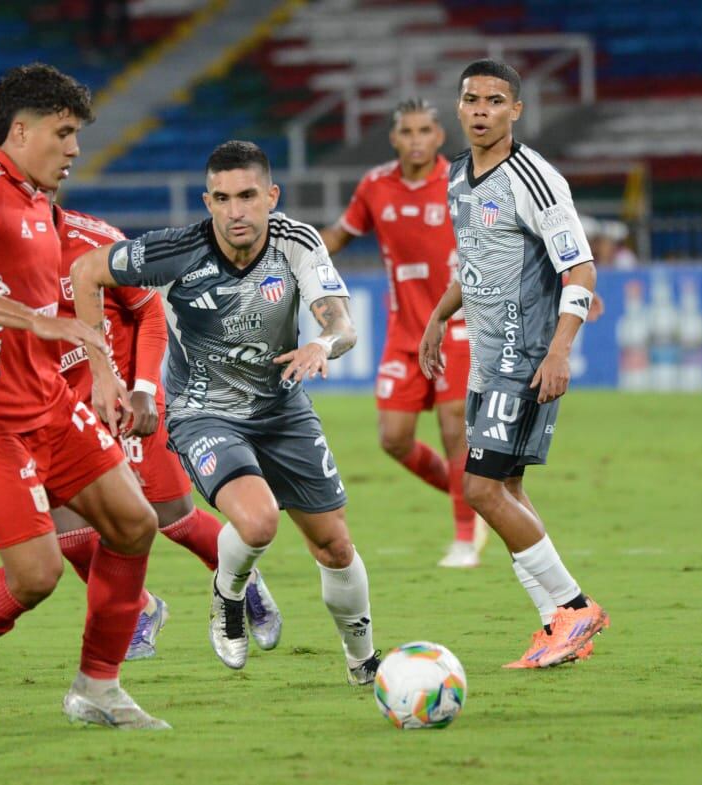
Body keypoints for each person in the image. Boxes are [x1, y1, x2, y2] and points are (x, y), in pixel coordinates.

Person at [0, 63, 169, 732]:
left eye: (77, 134)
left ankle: (98, 686)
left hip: (46, 402)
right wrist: (39, 322)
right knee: (36, 575)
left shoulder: (40, 204)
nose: (74, 149)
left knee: (134, 522)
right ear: (21, 132)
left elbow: (78, 294)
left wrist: (103, 369)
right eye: (64, 133)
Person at [71, 140, 381, 685]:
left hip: (282, 408)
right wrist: (102, 369)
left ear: (271, 196)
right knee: (258, 521)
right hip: (204, 412)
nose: (236, 211)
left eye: (247, 196)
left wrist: (322, 344)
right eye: (222, 198)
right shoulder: (177, 251)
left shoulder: (297, 243)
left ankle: (364, 663)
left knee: (335, 545)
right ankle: (228, 592)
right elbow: (85, 271)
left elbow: (342, 326)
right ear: (207, 201)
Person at [419, 60, 609, 669]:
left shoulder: (535, 178)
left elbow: (580, 269)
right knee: (505, 488)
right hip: (484, 356)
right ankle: (558, 626)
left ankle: (575, 607)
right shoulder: (456, 176)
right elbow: (475, 259)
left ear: (516, 111)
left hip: (523, 355)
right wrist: (438, 316)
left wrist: (559, 351)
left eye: (495, 101)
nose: (481, 111)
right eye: (471, 99)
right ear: (458, 107)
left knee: (480, 487)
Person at [49, 200, 283, 659]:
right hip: (61, 408)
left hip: (125, 398)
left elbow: (150, 313)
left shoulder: (94, 240)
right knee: (69, 534)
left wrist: (142, 389)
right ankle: (141, 608)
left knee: (173, 518)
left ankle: (243, 580)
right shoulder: (0, 257)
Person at [320, 98, 487, 568]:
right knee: (394, 439)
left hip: (457, 325)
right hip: (404, 333)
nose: (416, 140)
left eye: (424, 131)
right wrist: (294, 254)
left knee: (455, 428)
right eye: (407, 132)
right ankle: (476, 498)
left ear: (439, 136)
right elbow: (339, 236)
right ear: (394, 138)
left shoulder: (462, 182)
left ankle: (465, 538)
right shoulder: (376, 186)